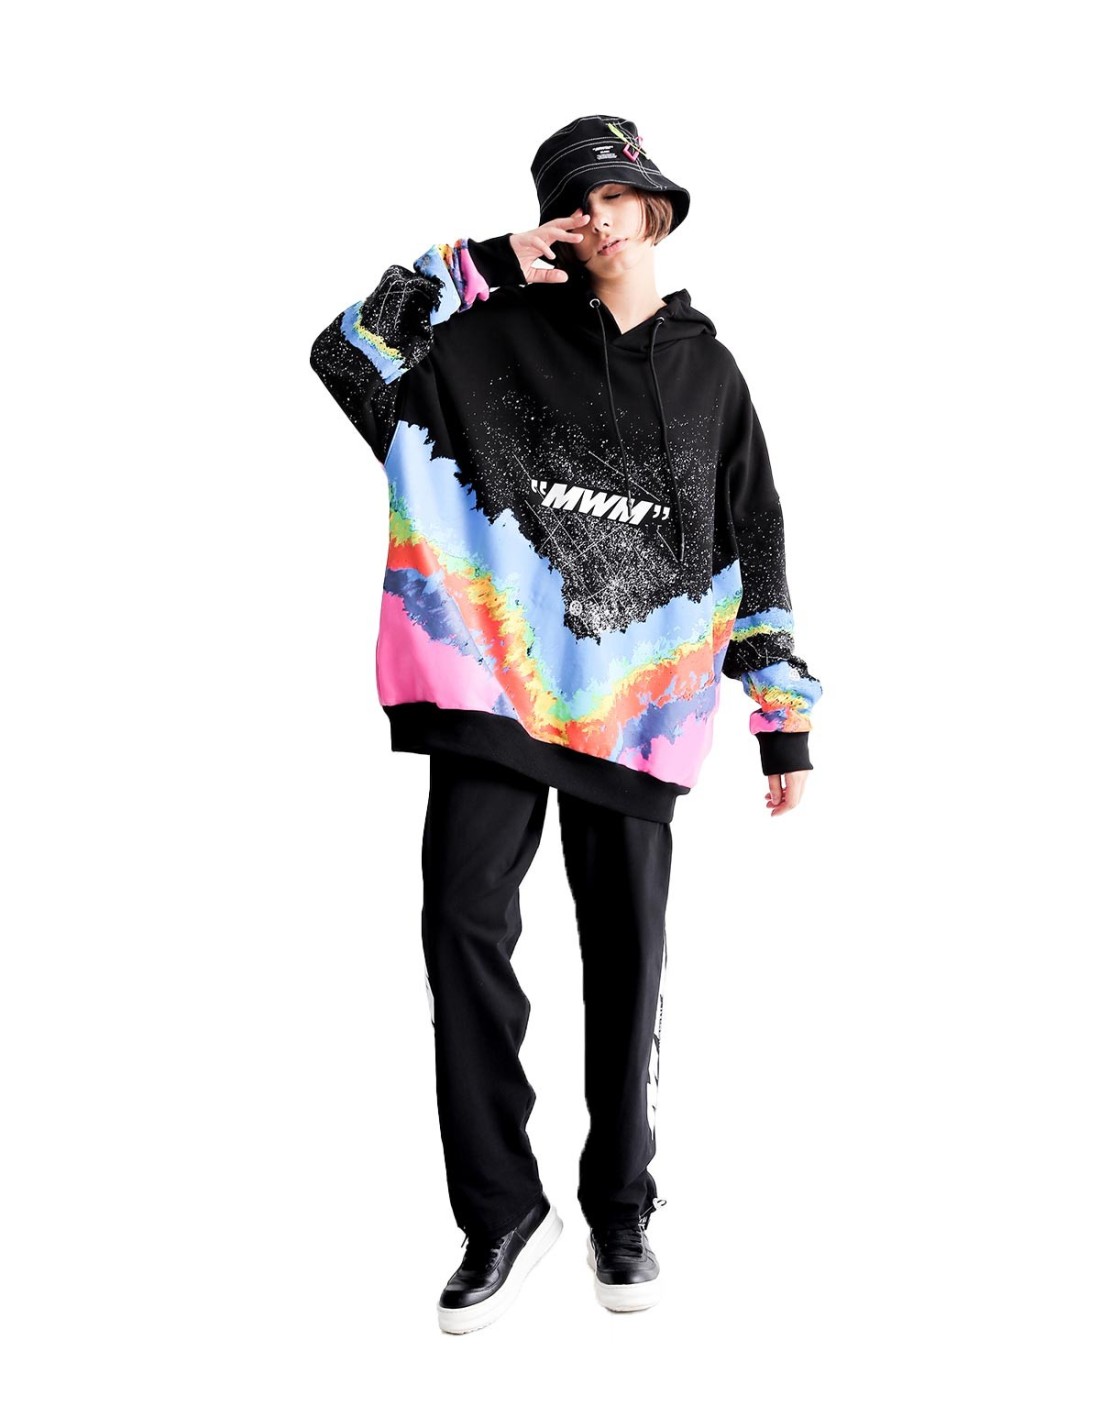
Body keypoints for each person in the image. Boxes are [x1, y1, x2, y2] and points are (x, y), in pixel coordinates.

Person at [309, 114, 823, 1333]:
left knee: (626, 958)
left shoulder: (709, 376)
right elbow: (344, 354)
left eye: (616, 193)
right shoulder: (479, 341)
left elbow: (753, 542)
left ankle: (619, 1206)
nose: (598, 215)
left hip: (638, 712)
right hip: (488, 689)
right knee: (459, 933)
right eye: (574, 200)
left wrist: (781, 717)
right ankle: (499, 1211)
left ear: (656, 207)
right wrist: (481, 263)